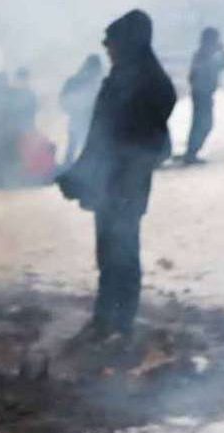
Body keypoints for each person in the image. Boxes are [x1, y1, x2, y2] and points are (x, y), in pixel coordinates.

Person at [57, 9, 176, 340]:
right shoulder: (140, 78)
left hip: (122, 182)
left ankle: (117, 322)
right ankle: (109, 317)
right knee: (113, 251)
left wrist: (85, 173)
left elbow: (118, 138)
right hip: (118, 181)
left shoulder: (139, 82)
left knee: (119, 253)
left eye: (112, 42)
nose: (108, 48)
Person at [183, 27, 224, 164]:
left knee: (201, 123)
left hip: (203, 93)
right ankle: (191, 153)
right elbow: (220, 65)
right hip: (201, 93)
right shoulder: (204, 54)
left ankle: (191, 151)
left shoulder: (206, 53)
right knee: (203, 123)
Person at [60, 55, 104, 167]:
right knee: (76, 149)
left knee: (74, 150)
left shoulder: (75, 81)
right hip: (86, 122)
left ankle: (69, 169)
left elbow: (63, 100)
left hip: (86, 122)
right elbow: (64, 100)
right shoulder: (96, 82)